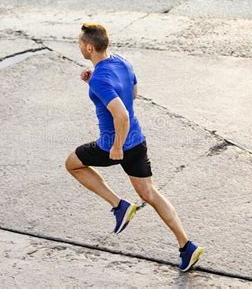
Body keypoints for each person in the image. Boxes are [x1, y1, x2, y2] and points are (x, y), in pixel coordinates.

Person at [65, 23, 204, 272]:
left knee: (72, 164)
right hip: (137, 141)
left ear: (88, 47)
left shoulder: (99, 79)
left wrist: (117, 147)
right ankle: (187, 246)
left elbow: (121, 115)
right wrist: (94, 81)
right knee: (149, 193)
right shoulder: (122, 62)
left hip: (112, 145)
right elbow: (133, 93)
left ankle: (119, 206)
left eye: (79, 44)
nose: (79, 47)